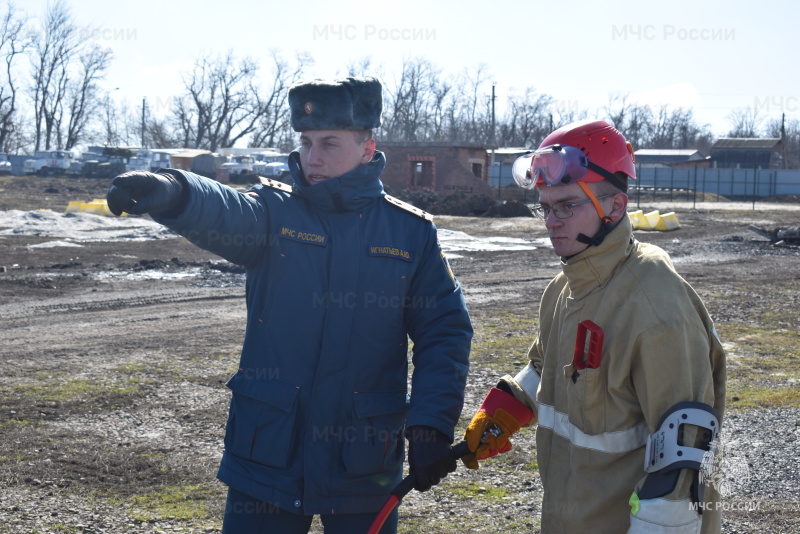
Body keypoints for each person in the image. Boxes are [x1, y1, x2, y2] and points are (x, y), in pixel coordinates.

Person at [106, 76, 472, 533]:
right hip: (267, 454)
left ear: (366, 146)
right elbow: (223, 209)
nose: (312, 157)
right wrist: (173, 191)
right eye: (306, 141)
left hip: (363, 460)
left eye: (329, 143)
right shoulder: (273, 214)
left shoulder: (409, 234)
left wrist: (431, 425)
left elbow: (445, 332)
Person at [462, 120, 726, 533]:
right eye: (546, 207)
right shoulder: (564, 290)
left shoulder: (657, 308)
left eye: (567, 205)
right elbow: (546, 369)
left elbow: (683, 457)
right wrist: (505, 411)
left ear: (615, 207)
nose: (552, 221)